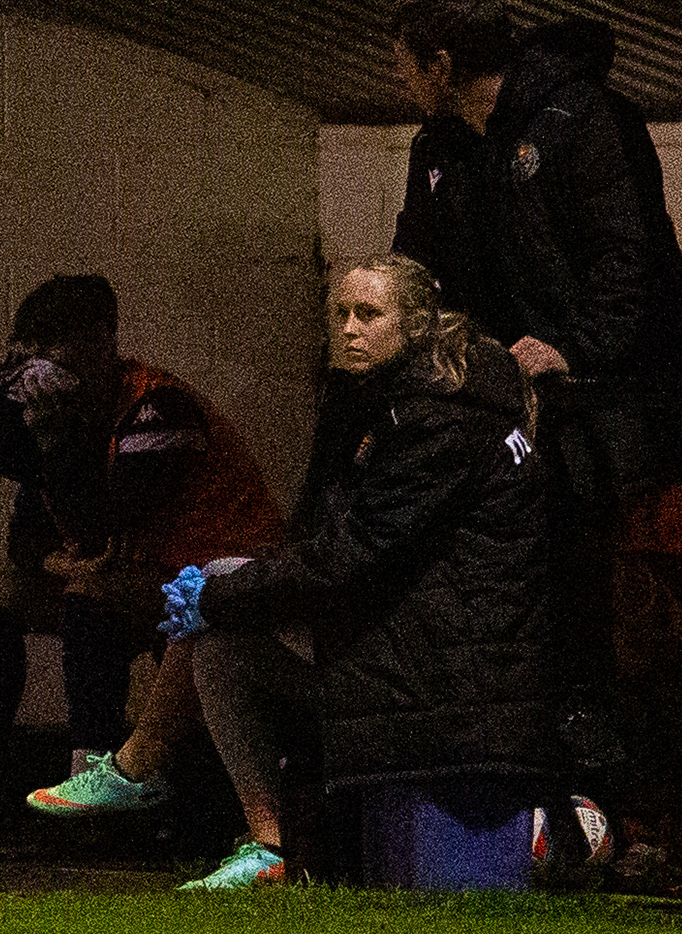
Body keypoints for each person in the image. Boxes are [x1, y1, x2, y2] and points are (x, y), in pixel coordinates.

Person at [389, 0, 682, 802]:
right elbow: (416, 267)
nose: (397, 81)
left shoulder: (579, 120)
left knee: (590, 604)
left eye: (404, 63)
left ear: (441, 65)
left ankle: (620, 800)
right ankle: (535, 788)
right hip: (499, 412)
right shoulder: (440, 149)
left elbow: (627, 259)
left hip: (595, 415)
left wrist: (572, 351)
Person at [165, 256, 554, 891]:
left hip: (449, 674)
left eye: (368, 314)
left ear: (414, 324)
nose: (348, 328)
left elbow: (352, 555)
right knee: (222, 628)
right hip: (407, 646)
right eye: (341, 313)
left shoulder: (440, 416)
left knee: (222, 595)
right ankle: (268, 843)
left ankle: (140, 768)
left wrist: (221, 595)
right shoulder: (380, 402)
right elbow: (329, 542)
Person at [0, 273, 283, 846]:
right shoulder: (63, 416)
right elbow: (28, 546)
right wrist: (42, 447)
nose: (39, 370)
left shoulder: (159, 408)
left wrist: (56, 445)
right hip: (139, 572)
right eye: (29, 353)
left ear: (102, 342)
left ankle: (96, 783)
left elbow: (108, 522)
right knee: (0, 592)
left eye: (54, 349)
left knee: (92, 596)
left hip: (222, 578)